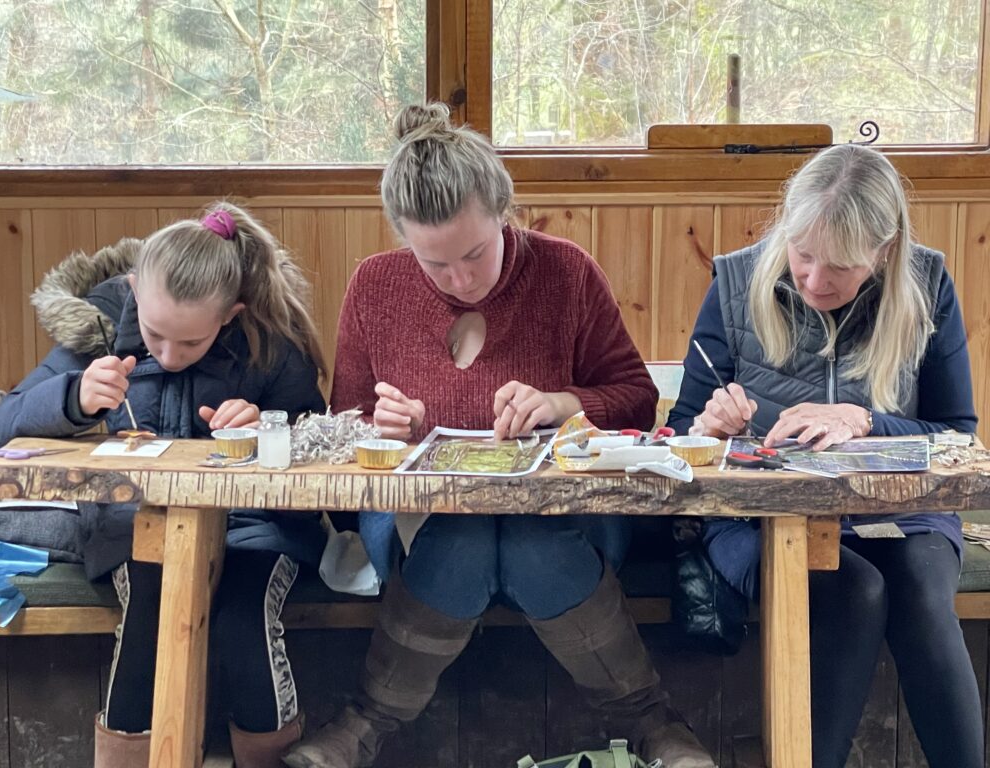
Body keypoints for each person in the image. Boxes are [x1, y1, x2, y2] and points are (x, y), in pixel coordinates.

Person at [282, 102, 717, 768]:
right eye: (434, 264)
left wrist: (561, 404)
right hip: (419, 520)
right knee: (463, 536)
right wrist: (385, 428)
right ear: (403, 240)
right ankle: (367, 724)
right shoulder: (375, 286)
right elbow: (344, 429)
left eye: (474, 254)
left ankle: (648, 725)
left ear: (506, 212)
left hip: (565, 518)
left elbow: (636, 400)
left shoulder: (565, 272)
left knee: (527, 537)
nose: (459, 280)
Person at [667, 144, 982, 768]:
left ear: (884, 251)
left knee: (921, 592)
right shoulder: (736, 283)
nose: (814, 281)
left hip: (901, 512)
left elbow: (957, 436)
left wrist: (865, 421)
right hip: (760, 518)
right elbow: (680, 436)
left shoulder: (926, 285)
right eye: (802, 253)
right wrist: (710, 426)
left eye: (839, 265)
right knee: (852, 590)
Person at [0, 203, 328, 768]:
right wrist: (74, 397)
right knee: (153, 603)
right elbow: (5, 425)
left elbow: (318, 443)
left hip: (256, 528)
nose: (169, 356)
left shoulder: (267, 341)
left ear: (231, 314)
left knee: (243, 619)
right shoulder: (98, 326)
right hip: (134, 527)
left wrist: (267, 428)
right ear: (132, 291)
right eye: (154, 335)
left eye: (191, 343)